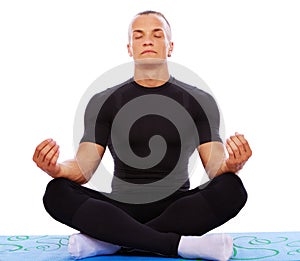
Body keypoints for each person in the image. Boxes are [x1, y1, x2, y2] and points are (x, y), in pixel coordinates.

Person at [33, 10, 252, 261]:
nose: (147, 40)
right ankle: (177, 245)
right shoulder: (103, 101)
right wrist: (56, 169)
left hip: (178, 208)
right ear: (130, 48)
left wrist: (232, 165)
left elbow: (215, 168)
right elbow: (83, 169)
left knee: (232, 188)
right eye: (139, 36)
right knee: (57, 191)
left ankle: (111, 242)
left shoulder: (199, 101)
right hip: (118, 210)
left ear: (170, 47)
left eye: (157, 35)